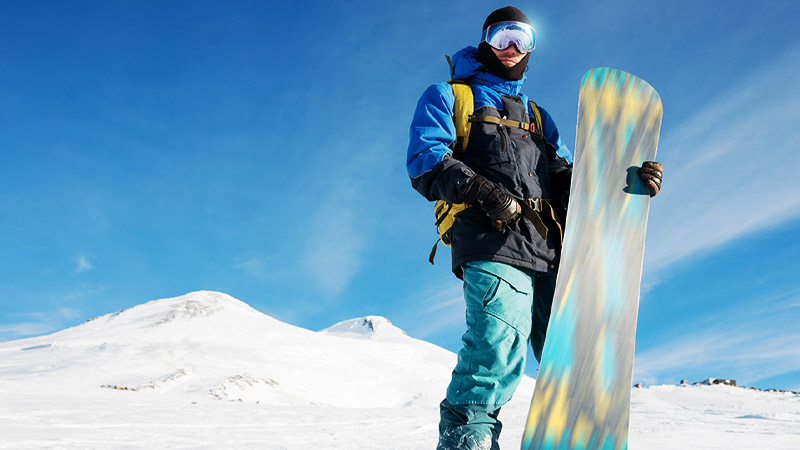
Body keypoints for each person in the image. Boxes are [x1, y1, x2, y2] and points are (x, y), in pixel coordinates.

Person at [405, 6, 663, 450]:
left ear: (533, 47)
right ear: (486, 41)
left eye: (521, 37)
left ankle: (577, 435)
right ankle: (468, 438)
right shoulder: (450, 96)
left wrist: (629, 181)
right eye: (502, 35)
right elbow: (425, 159)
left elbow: (571, 180)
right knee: (497, 344)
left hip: (549, 246)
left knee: (569, 357)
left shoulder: (539, 118)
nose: (511, 47)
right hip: (489, 237)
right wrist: (485, 193)